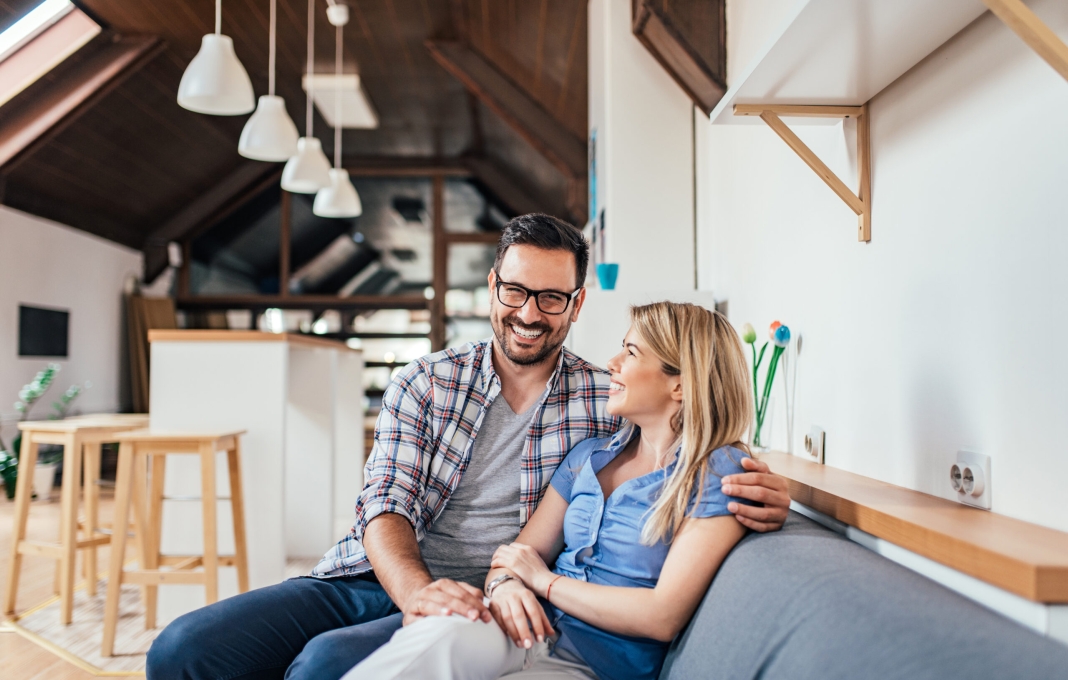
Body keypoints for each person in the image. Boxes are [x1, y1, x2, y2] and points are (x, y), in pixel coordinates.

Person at [146, 214, 791, 680]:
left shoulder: (609, 395)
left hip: (492, 601)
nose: (530, 313)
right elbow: (385, 504)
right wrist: (416, 591)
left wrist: (769, 487)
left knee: (321, 667)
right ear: (492, 288)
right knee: (181, 651)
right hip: (378, 575)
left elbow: (696, 433)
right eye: (515, 291)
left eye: (551, 297)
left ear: (576, 303)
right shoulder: (424, 381)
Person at [344, 301, 754, 680]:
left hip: (595, 662)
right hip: (524, 625)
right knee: (433, 640)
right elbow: (513, 558)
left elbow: (660, 615)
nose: (612, 364)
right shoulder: (589, 456)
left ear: (679, 386)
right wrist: (505, 586)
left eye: (631, 353)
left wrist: (543, 582)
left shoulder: (715, 474)